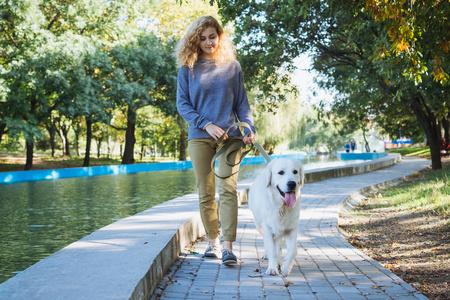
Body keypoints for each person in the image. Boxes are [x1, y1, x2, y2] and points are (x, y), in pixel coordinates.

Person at [175, 16, 256, 266]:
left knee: (228, 190)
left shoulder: (232, 66)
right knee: (206, 193)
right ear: (195, 40)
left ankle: (228, 247)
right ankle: (213, 242)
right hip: (200, 137)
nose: (208, 42)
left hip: (230, 138)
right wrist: (205, 124)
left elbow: (241, 103)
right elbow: (182, 104)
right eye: (203, 38)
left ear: (219, 36)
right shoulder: (187, 68)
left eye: (212, 36)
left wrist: (249, 128)